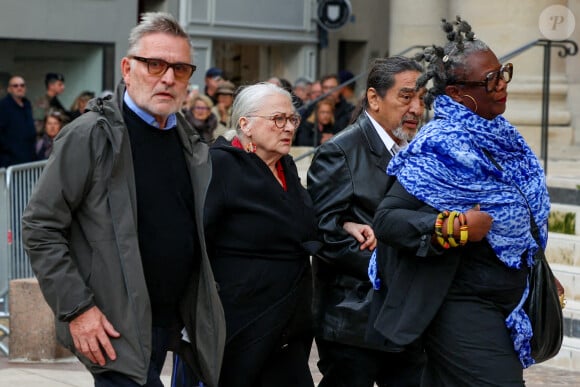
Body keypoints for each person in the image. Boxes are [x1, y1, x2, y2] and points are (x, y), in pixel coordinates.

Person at [22, 12, 225, 387]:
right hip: (113, 327)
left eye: (180, 69)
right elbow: (41, 226)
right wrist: (78, 309)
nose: (168, 78)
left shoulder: (188, 141)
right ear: (127, 68)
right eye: (155, 64)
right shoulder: (90, 135)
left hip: (170, 324)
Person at [370, 17, 551, 386]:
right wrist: (456, 227)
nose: (501, 85)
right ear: (455, 93)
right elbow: (387, 220)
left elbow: (523, 209)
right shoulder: (439, 143)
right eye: (489, 80)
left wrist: (535, 263)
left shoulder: (503, 136)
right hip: (460, 300)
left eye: (502, 73)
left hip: (508, 296)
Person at [307, 56, 426, 387]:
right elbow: (325, 233)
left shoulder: (419, 152)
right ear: (374, 98)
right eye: (406, 96)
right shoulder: (341, 151)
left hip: (409, 319)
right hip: (355, 322)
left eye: (422, 98)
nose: (417, 107)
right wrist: (389, 262)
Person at [204, 82, 318, 387]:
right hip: (243, 324)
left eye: (292, 119)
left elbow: (304, 224)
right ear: (246, 124)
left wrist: (346, 225)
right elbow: (199, 239)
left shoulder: (286, 167)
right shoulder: (220, 165)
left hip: (290, 324)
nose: (288, 127)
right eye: (278, 119)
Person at [0, 75, 37, 167]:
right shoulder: (3, 106)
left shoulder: (27, 104)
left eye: (22, 85)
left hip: (29, 157)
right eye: (15, 86)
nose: (19, 88)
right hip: (10, 161)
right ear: (9, 89)